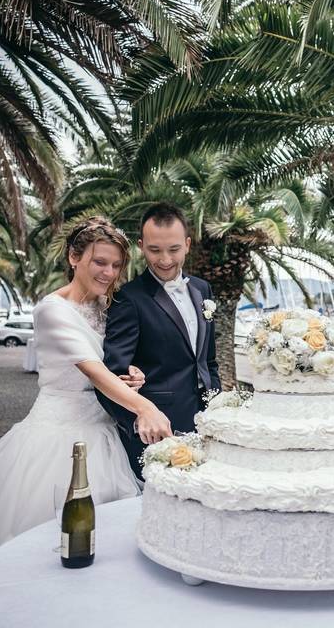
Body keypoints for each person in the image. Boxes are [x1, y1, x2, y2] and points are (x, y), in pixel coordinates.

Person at [0, 217, 167, 628]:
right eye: (99, 262)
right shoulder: (51, 309)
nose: (108, 273)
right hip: (54, 440)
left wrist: (129, 376)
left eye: (116, 266)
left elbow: (106, 370)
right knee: (42, 551)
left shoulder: (103, 307)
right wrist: (144, 407)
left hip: (102, 436)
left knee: (107, 553)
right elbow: (92, 372)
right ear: (74, 258)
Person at [97, 203, 221, 479]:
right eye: (154, 250)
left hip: (207, 424)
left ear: (188, 244)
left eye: (174, 249)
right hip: (157, 431)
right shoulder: (128, 298)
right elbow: (111, 376)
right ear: (141, 246)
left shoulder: (202, 289)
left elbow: (208, 359)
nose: (165, 259)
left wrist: (217, 406)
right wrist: (137, 425)